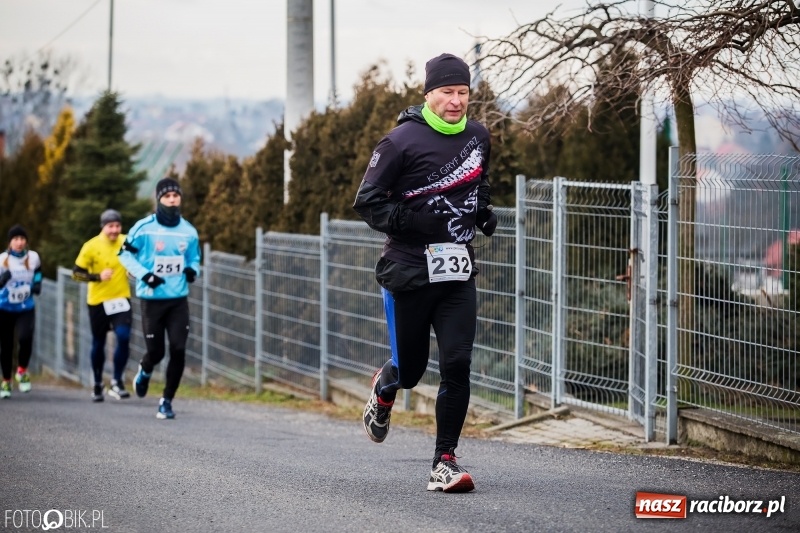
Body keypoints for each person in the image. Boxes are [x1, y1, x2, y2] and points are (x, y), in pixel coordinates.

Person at [352, 53, 497, 493]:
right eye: (447, 92)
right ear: (428, 93)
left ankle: (444, 462)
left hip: (456, 271)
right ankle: (386, 386)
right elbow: (368, 202)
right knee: (411, 372)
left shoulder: (478, 136)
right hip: (409, 272)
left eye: (463, 93)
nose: (456, 101)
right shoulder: (399, 142)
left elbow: (477, 180)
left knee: (457, 363)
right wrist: (418, 224)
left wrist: (484, 210)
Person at [118, 178, 201, 419]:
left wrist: (192, 271)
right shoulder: (144, 228)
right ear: (159, 199)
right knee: (156, 352)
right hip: (152, 300)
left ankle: (166, 400)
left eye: (176, 195)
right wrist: (146, 275)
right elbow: (124, 255)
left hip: (178, 300)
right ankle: (145, 370)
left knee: (178, 348)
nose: (173, 199)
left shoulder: (189, 231)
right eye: (167, 196)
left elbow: (195, 259)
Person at [72, 209, 133, 402]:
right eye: (110, 226)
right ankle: (98, 382)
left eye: (117, 225)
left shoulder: (127, 241)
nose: (114, 230)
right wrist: (97, 277)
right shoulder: (91, 246)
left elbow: (138, 260)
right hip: (98, 301)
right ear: (103, 227)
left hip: (121, 298)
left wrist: (133, 271)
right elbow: (76, 273)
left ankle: (116, 381)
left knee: (123, 337)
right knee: (98, 342)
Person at [0, 224, 43, 399]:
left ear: (26, 241)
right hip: (4, 308)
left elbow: (38, 271)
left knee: (25, 338)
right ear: (10, 242)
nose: (19, 242)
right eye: (15, 239)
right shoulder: (2, 259)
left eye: (22, 239)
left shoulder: (33, 257)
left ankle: (22, 371)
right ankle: (6, 380)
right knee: (7, 346)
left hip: (26, 307)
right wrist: (2, 281)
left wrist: (38, 283)